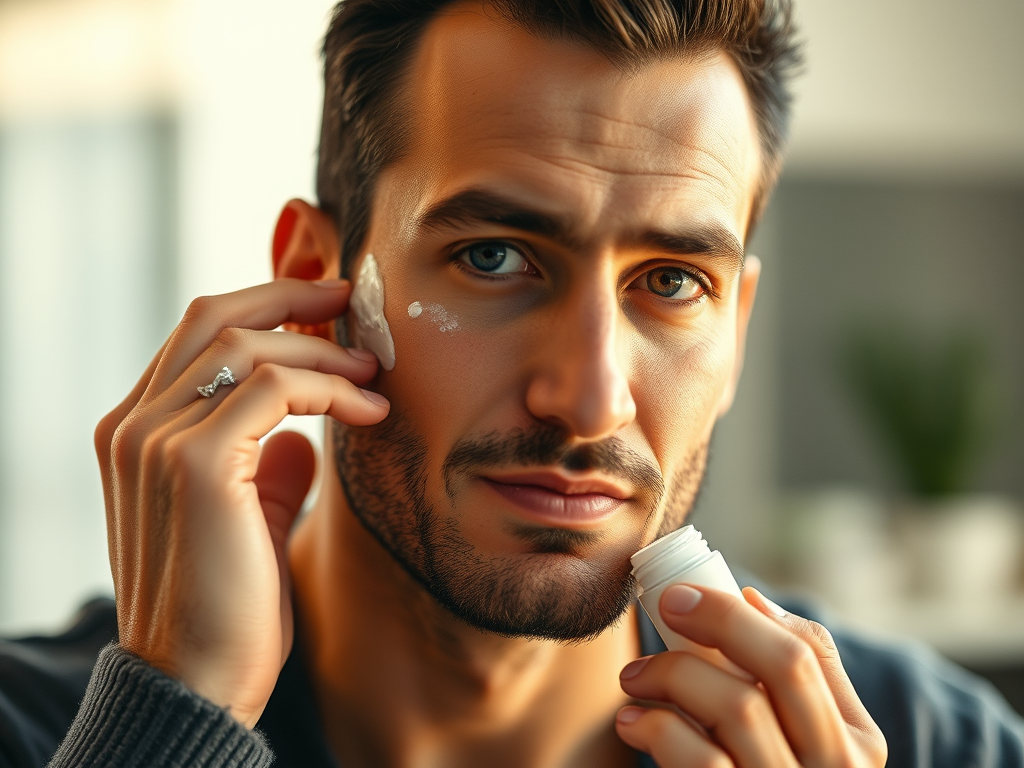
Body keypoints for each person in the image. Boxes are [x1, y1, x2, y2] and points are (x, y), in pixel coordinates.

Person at [1, 1, 1022, 766]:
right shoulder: (40, 736)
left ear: (736, 331)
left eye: (671, 283)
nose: (587, 400)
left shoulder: (939, 744)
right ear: (317, 282)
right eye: (494, 258)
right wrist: (175, 724)